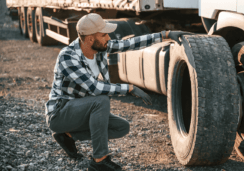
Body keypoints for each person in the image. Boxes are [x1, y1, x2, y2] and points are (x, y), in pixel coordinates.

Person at [45, 13, 188, 171]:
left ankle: (68, 136)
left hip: (80, 110)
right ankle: (99, 160)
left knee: (121, 127)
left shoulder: (99, 48)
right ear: (90, 38)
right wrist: (129, 88)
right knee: (101, 100)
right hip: (59, 113)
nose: (108, 38)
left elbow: (129, 43)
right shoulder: (68, 57)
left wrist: (165, 35)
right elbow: (95, 88)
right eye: (104, 34)